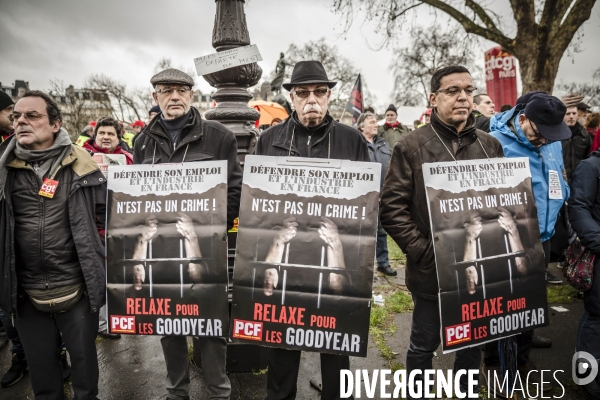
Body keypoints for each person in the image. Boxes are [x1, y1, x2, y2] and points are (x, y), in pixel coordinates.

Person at [380, 65, 504, 398]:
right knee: (423, 345)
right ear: (434, 98)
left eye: (468, 89)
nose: (463, 96)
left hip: (479, 268)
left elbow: (501, 200)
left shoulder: (490, 146)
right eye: (453, 91)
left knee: (472, 343)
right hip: (432, 272)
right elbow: (391, 209)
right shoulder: (411, 147)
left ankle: (467, 392)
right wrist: (423, 250)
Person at [255, 60, 370, 400]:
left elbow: (366, 206)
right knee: (282, 353)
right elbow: (259, 204)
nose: (312, 100)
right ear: (291, 97)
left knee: (336, 351)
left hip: (334, 256)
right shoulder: (269, 140)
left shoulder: (352, 140)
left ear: (330, 95)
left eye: (319, 92)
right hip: (287, 258)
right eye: (302, 93)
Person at [133, 68, 242, 400]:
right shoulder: (142, 143)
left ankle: (218, 391)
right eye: (166, 90)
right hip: (162, 251)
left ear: (192, 95)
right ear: (155, 97)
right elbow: (136, 197)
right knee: (168, 323)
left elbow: (235, 192)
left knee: (210, 324)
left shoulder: (219, 136)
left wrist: (208, 229)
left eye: (181, 90)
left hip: (204, 249)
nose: (174, 96)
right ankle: (176, 391)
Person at [0, 90, 106, 399]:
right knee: (44, 381)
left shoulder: (84, 167)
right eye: (16, 116)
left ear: (56, 124)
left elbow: (105, 220)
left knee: (86, 376)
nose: (21, 121)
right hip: (26, 294)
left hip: (77, 291)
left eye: (32, 116)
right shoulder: (4, 171)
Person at [485, 92, 572, 395]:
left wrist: (563, 193)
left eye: (552, 136)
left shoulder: (552, 142)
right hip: (510, 240)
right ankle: (500, 365)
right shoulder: (494, 142)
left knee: (533, 301)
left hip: (544, 236)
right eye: (539, 133)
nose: (545, 141)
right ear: (522, 119)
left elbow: (558, 176)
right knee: (507, 306)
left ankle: (523, 359)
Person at [568, 149, 600, 399]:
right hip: (599, 254)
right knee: (596, 316)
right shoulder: (591, 167)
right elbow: (578, 208)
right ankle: (584, 374)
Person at [356, 111, 395, 276]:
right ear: (361, 127)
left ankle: (383, 263)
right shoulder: (355, 143)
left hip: (382, 193)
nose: (376, 124)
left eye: (375, 122)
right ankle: (360, 265)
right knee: (361, 231)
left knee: (381, 230)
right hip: (362, 196)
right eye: (372, 122)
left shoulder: (383, 144)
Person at [562, 104, 591, 183]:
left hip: (579, 179)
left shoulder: (584, 135)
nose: (571, 116)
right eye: (568, 114)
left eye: (574, 113)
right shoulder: (556, 136)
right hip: (560, 179)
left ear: (577, 115)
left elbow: (588, 157)